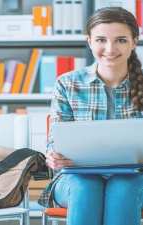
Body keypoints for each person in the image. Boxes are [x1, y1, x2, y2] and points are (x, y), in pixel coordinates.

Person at [45, 7, 143, 225]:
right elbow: (55, 140)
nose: (110, 49)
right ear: (89, 41)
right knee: (86, 187)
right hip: (75, 177)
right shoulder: (67, 83)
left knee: (123, 187)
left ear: (134, 42)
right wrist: (53, 155)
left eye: (120, 40)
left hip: (135, 176)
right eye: (101, 40)